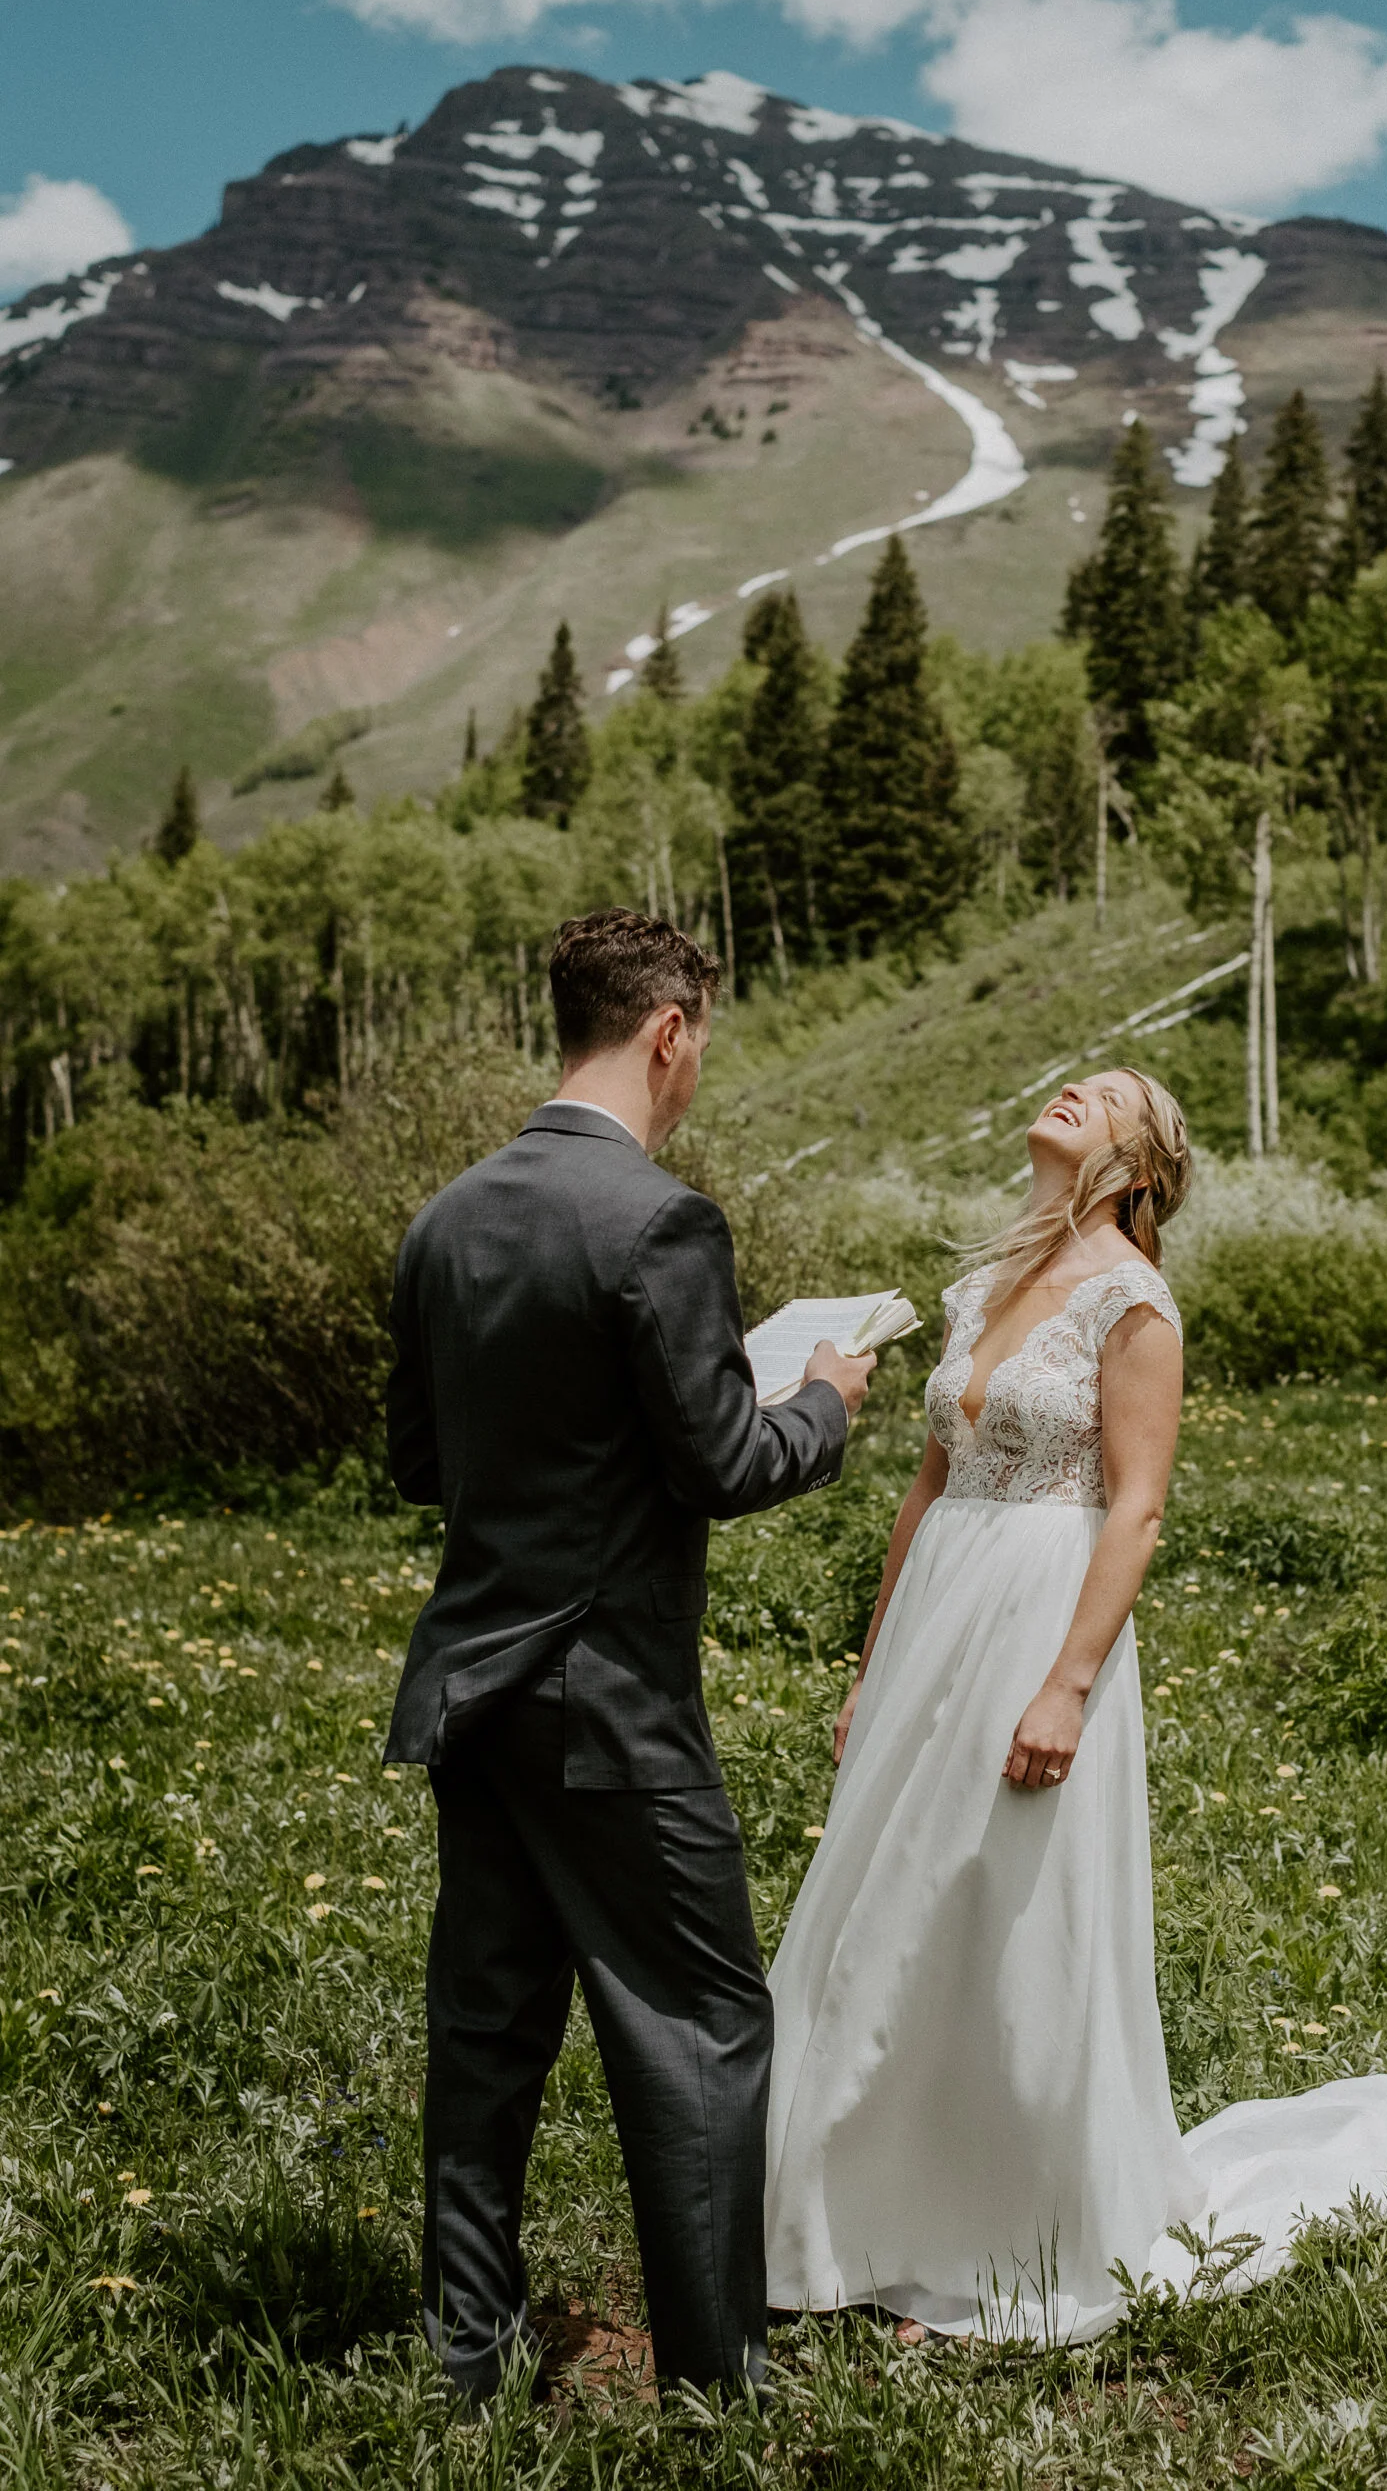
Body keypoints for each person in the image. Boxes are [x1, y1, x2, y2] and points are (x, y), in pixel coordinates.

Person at [765, 1066, 1387, 2341]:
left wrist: (1067, 1682)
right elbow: (926, 1489)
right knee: (886, 1904)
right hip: (939, 1614)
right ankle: (851, 2213)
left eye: (1105, 1093)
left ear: (1141, 1162)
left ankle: (1005, 2235)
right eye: (1069, 1078)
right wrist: (868, 1660)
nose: (1068, 1089)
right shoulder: (975, 1287)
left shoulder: (1134, 1298)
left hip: (1042, 1616)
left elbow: (1139, 1504)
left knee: (1003, 1909)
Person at [384, 908, 874, 2406]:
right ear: (670, 1029)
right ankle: (717, 2385)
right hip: (609, 1700)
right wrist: (828, 1399)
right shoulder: (660, 1220)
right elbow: (726, 1462)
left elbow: (418, 1462)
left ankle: (466, 2363)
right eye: (704, 1039)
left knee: (487, 2035)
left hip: (475, 1686)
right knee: (706, 2028)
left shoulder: (447, 1217)